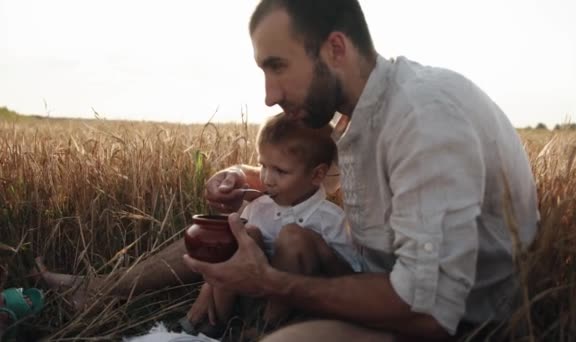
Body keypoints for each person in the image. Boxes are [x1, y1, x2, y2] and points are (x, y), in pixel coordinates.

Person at [184, 0, 540, 341]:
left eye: (278, 67)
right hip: (375, 287)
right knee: (225, 227)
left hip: (451, 324)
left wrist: (269, 282)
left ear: (336, 49)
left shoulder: (422, 120)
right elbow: (312, 182)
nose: (269, 95)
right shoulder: (351, 115)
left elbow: (430, 312)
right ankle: (125, 286)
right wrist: (239, 178)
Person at [180, 113, 360, 337]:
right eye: (262, 165)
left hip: (297, 307)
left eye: (280, 171)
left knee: (293, 238)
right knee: (244, 233)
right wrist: (208, 287)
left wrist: (316, 253)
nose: (266, 179)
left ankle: (265, 329)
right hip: (250, 299)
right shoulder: (258, 208)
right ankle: (218, 323)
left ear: (317, 175)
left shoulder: (332, 220)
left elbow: (349, 278)